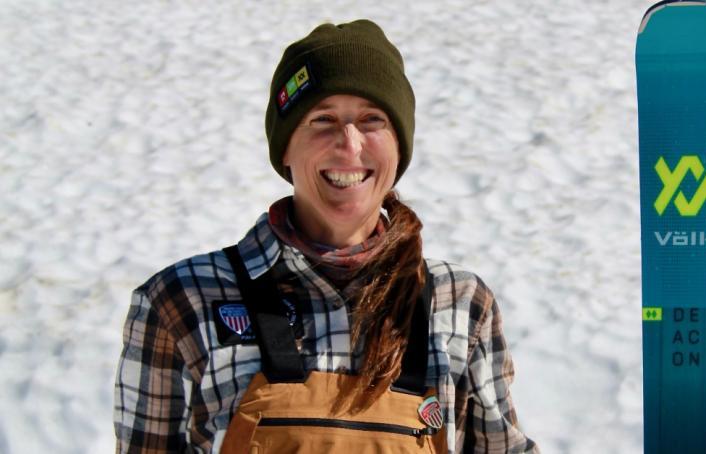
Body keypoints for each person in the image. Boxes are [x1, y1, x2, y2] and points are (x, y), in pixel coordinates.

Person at [114, 19, 537, 453]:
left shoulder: (460, 303)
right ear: (285, 148)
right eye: (322, 119)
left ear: (399, 147)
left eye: (372, 119)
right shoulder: (180, 301)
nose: (349, 144)